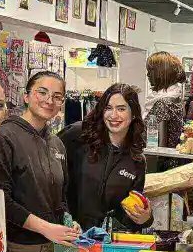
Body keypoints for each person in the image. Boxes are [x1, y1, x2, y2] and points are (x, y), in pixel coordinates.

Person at [0, 72, 80, 252]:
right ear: (26, 96)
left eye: (57, 96)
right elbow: (1, 199)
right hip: (16, 248)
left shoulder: (56, 144)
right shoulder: (4, 136)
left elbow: (61, 196)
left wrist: (68, 220)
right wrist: (45, 228)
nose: (49, 100)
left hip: (52, 247)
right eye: (42, 92)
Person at [61, 82, 153, 231]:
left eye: (121, 109)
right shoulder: (78, 135)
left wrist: (145, 219)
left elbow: (125, 215)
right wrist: (63, 217)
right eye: (108, 108)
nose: (113, 115)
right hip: (64, 234)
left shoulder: (136, 161)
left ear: (134, 114)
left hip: (99, 239)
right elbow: (51, 178)